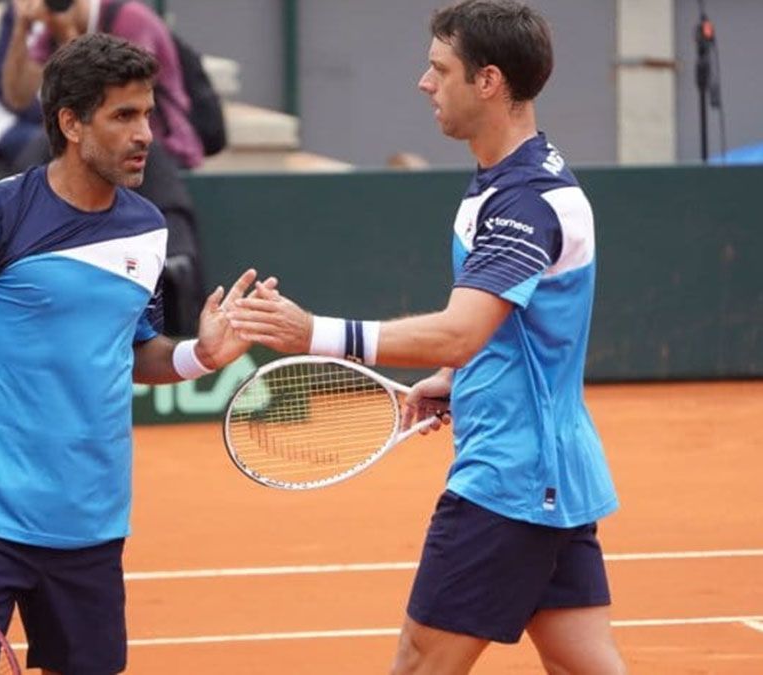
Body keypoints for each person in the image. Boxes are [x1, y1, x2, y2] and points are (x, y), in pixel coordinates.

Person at [227, 2, 626, 673]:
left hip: (510, 479)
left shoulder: (525, 200)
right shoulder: (511, 180)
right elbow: (507, 331)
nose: (424, 82)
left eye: (440, 69)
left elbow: (461, 330)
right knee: (580, 662)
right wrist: (457, 380)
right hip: (547, 471)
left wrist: (312, 332)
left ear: (488, 81)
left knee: (419, 661)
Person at [0, 34, 268, 674]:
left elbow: (135, 351)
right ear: (71, 123)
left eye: (148, 114)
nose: (145, 134)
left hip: (90, 525)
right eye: (123, 116)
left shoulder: (147, 228)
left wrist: (200, 356)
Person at [0, 0, 208, 336]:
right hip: (94, 146)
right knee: (35, 148)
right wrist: (22, 30)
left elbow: (115, 96)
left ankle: (175, 286)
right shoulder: (48, 24)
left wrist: (68, 36)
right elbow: (18, 97)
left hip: (168, 149)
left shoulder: (131, 18)